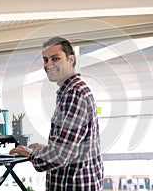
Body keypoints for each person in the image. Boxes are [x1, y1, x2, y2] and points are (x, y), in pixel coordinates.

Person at [10, 36, 104, 190]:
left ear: (71, 59)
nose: (48, 65)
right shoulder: (71, 91)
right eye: (45, 60)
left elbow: (62, 155)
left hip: (74, 185)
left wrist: (29, 153)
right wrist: (45, 148)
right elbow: (73, 145)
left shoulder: (74, 93)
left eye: (55, 59)